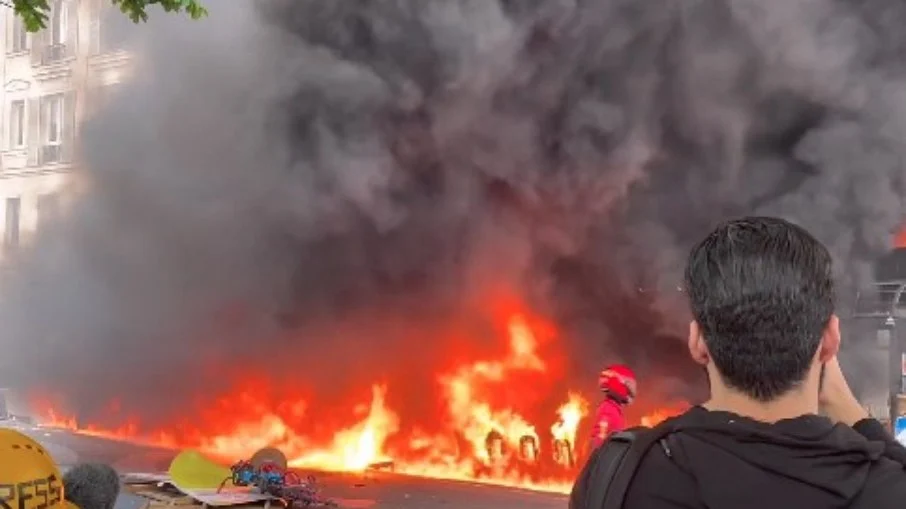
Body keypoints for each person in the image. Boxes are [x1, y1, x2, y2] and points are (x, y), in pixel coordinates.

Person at [570, 216, 906, 509]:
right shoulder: (887, 489)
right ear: (831, 340)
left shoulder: (618, 477)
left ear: (698, 342)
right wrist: (851, 411)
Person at [589, 364, 637, 449]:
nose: (630, 390)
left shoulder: (614, 408)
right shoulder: (608, 410)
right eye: (628, 384)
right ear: (618, 383)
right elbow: (599, 442)